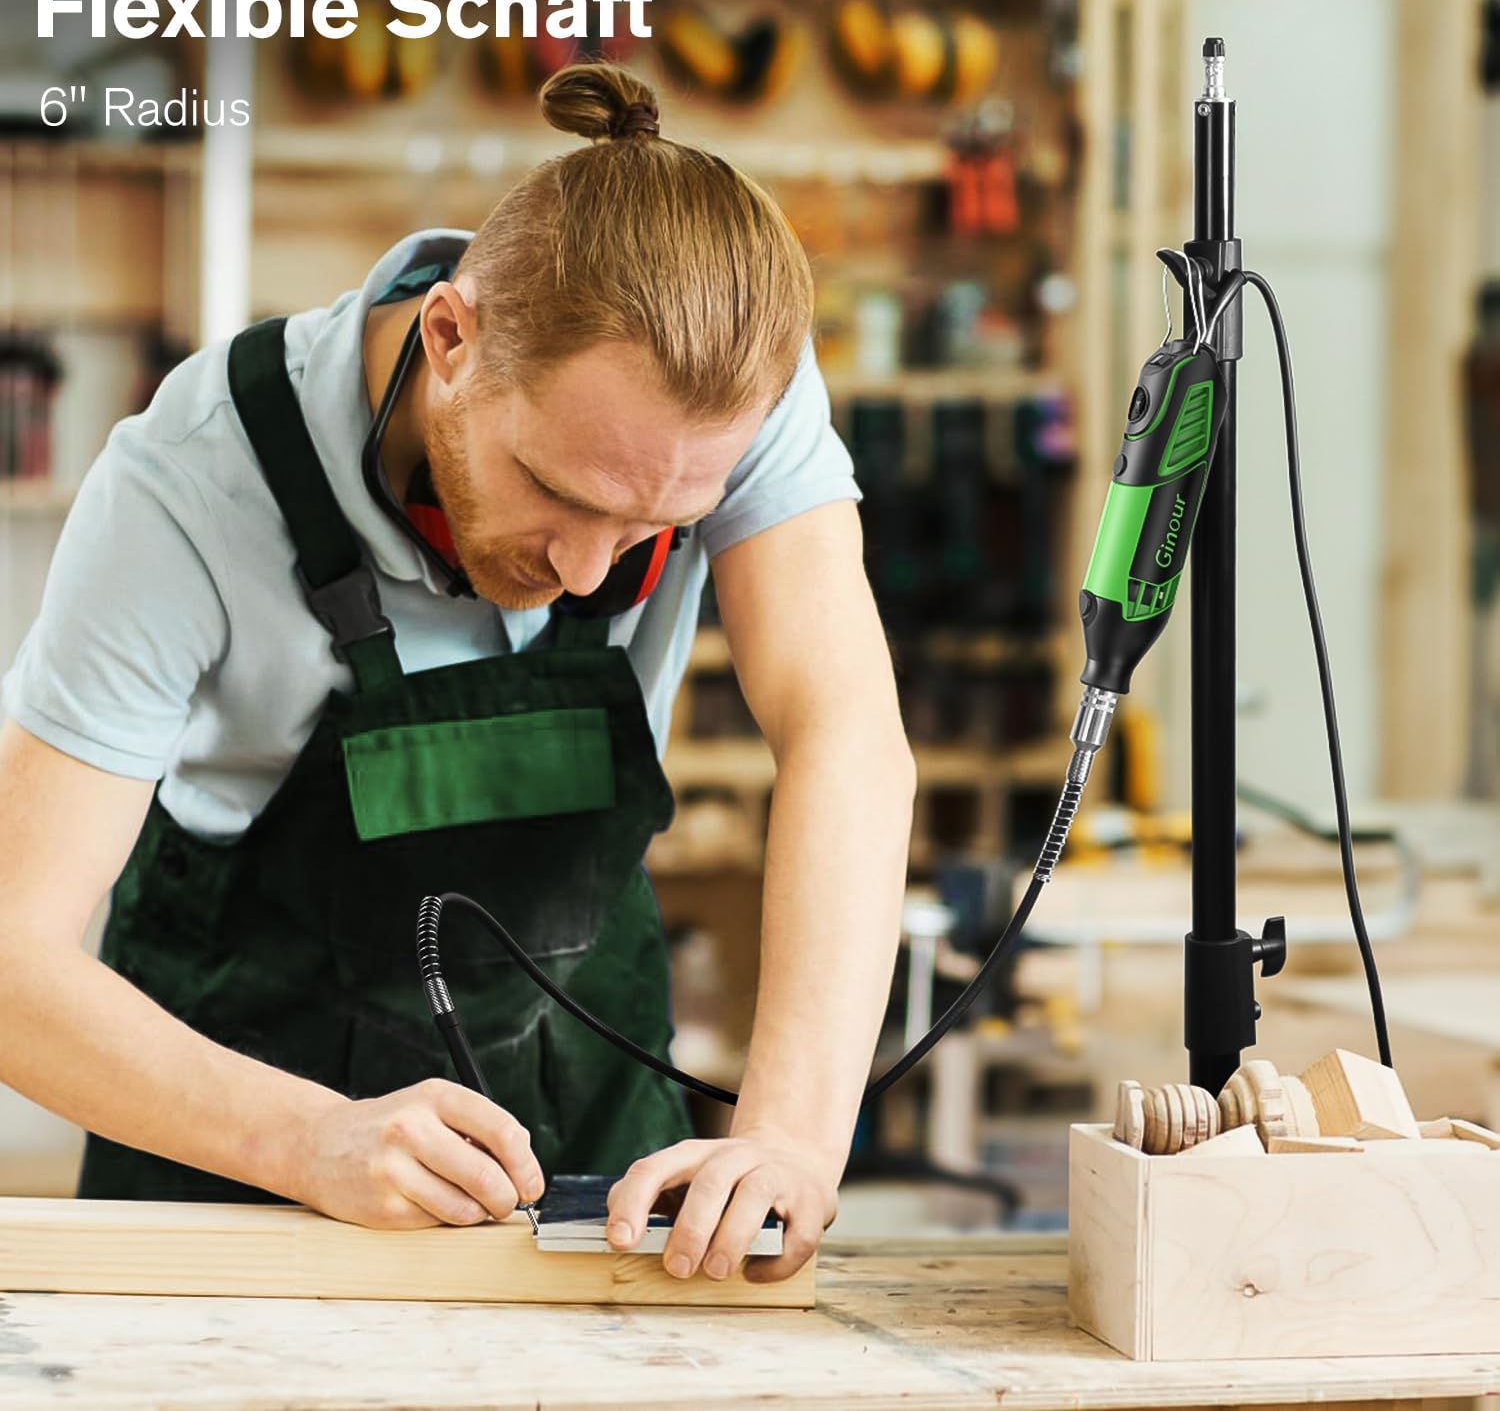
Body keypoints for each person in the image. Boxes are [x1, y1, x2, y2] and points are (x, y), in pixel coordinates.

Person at [0, 63, 914, 1285]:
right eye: (564, 494)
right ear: (450, 338)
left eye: (660, 526)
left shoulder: (707, 409)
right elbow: (11, 959)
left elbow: (844, 729)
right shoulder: (186, 485)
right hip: (242, 1135)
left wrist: (793, 1137)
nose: (597, 571)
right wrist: (310, 1139)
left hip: (593, 1108)